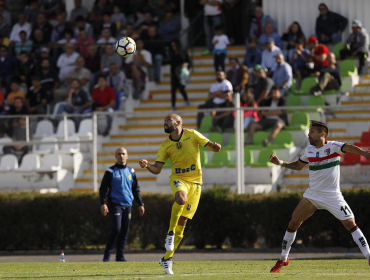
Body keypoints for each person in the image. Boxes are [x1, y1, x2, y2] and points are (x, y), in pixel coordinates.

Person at [269, 120, 370, 273]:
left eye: (312, 132)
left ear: (322, 134)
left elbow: (348, 147)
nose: (309, 134)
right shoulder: (309, 150)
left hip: (332, 196)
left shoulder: (333, 146)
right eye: (309, 132)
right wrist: (280, 162)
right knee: (294, 221)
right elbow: (298, 166)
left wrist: (363, 153)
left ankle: (369, 257)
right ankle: (283, 258)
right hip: (313, 194)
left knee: (350, 223)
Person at [139, 114, 221, 274]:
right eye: (164, 121)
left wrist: (216, 147)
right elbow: (157, 169)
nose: (165, 123)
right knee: (180, 198)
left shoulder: (192, 134)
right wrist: (147, 165)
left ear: (178, 123)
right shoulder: (165, 145)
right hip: (179, 179)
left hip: (196, 183)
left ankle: (167, 259)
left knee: (183, 221)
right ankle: (170, 233)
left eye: (168, 120)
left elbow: (211, 145)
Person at [100, 147, 145, 262]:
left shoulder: (131, 171)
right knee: (116, 229)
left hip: (128, 205)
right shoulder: (110, 171)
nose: (121, 156)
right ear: (116, 156)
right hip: (115, 204)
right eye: (119, 154)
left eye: (123, 154)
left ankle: (120, 256)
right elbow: (103, 189)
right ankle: (107, 255)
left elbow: (136, 189)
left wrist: (140, 203)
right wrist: (103, 203)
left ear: (127, 156)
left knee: (124, 231)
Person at [169, 39, 191, 111]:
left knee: (181, 89)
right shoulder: (172, 53)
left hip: (181, 73)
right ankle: (173, 105)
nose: (173, 47)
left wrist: (185, 65)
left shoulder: (183, 53)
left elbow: (188, 62)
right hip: (174, 74)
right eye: (172, 46)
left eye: (174, 45)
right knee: (173, 90)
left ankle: (186, 100)